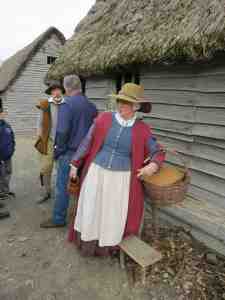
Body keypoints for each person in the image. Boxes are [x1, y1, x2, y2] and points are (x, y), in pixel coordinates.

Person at [68, 83, 166, 256]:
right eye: (119, 101)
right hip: (96, 173)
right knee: (92, 207)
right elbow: (87, 141)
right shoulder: (103, 119)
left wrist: (153, 165)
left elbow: (157, 151)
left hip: (120, 180)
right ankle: (88, 245)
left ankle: (106, 247)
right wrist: (75, 163)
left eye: (125, 103)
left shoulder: (142, 129)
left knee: (111, 213)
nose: (120, 105)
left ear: (136, 106)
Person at [40, 75, 98, 228]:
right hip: (86, 153)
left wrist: (58, 150)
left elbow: (62, 131)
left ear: (66, 88)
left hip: (69, 153)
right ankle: (80, 218)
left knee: (62, 186)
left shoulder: (66, 104)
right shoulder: (92, 106)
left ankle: (58, 219)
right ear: (80, 86)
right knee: (82, 186)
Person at [35, 80, 65, 204]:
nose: (56, 92)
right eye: (53, 90)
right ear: (51, 92)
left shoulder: (67, 104)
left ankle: (61, 193)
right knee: (45, 168)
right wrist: (40, 138)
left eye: (58, 89)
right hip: (49, 141)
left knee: (61, 169)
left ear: (62, 91)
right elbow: (39, 123)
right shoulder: (45, 104)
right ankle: (46, 192)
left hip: (63, 142)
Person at [0, 98, 15, 219]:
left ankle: (5, 191)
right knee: (1, 175)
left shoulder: (7, 126)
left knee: (7, 172)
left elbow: (11, 138)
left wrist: (12, 149)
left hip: (7, 155)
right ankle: (2, 192)